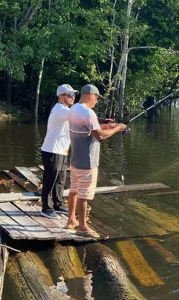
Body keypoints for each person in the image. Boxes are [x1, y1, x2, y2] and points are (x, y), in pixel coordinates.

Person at [65, 84, 126, 237]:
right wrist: (117, 129)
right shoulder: (89, 112)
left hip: (75, 160)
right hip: (88, 161)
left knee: (74, 190)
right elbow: (99, 135)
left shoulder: (73, 109)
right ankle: (83, 227)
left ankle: (71, 220)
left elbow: (91, 129)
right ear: (91, 95)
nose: (97, 101)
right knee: (84, 194)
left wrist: (109, 125)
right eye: (97, 98)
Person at [41, 84, 78, 219]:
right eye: (69, 95)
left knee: (61, 179)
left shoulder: (66, 111)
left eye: (73, 95)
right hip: (52, 150)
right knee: (50, 179)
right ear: (61, 97)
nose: (72, 97)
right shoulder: (60, 110)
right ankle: (46, 208)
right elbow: (80, 116)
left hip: (62, 151)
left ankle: (58, 203)